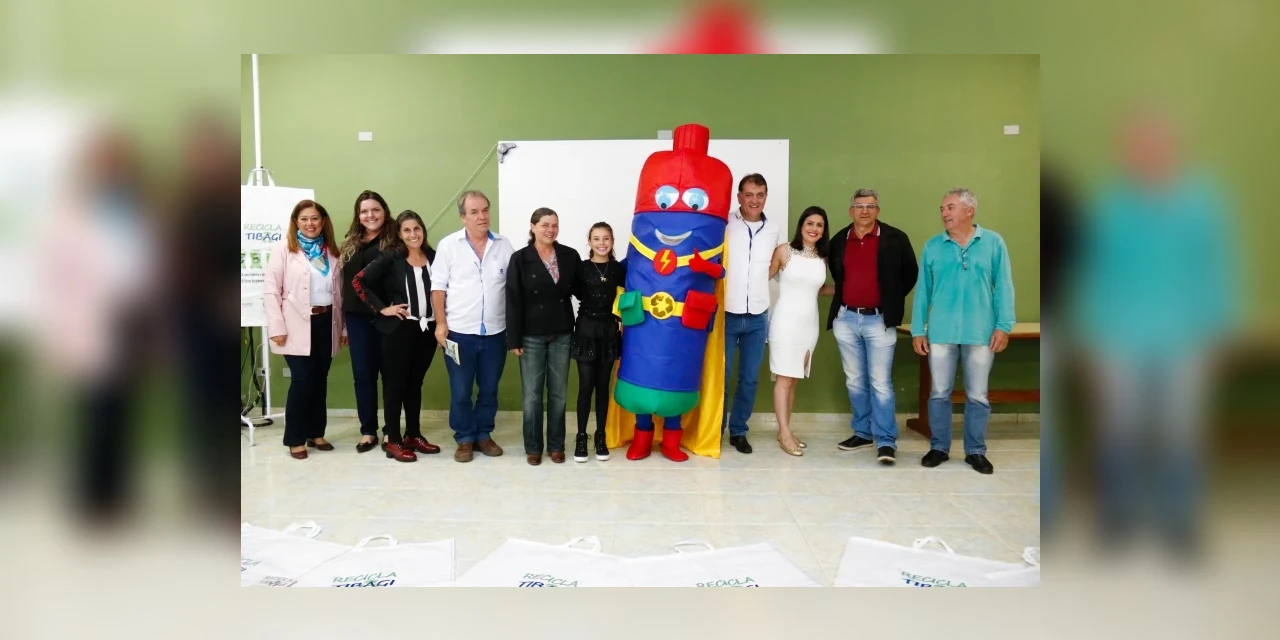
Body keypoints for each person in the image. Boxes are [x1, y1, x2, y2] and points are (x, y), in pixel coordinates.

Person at [912, 188, 1014, 474]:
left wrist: (1003, 325)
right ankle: (939, 447)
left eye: (950, 207)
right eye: (942, 208)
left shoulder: (993, 243)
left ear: (970, 211)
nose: (944, 213)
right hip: (941, 332)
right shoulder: (933, 246)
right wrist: (918, 329)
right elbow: (923, 292)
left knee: (978, 395)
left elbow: (1004, 286)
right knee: (939, 392)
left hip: (981, 332)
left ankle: (976, 451)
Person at [826, 189, 919, 465]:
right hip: (846, 319)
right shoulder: (839, 240)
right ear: (851, 210)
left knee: (880, 382)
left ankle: (886, 440)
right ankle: (862, 433)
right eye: (859, 206)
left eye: (870, 206)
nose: (864, 211)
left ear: (878, 210)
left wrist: (891, 298)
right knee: (855, 380)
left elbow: (910, 273)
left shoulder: (895, 238)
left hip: (880, 320)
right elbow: (838, 276)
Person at [351, 210, 443, 463]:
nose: (413, 234)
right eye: (407, 230)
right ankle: (393, 439)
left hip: (426, 331)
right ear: (399, 235)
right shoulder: (391, 256)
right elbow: (359, 282)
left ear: (423, 230)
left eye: (417, 228)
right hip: (399, 330)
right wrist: (382, 308)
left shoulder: (434, 257)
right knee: (395, 385)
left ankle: (413, 434)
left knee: (415, 384)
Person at [431, 190, 515, 463]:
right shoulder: (448, 246)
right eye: (474, 212)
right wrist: (441, 324)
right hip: (458, 334)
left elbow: (515, 287)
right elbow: (438, 288)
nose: (482, 216)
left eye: (485, 210)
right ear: (463, 217)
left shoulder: (503, 245)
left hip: (495, 333)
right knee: (461, 391)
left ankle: (483, 435)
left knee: (489, 388)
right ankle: (465, 438)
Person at [263, 200, 347, 459]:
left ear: (323, 221)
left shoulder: (332, 251)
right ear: (296, 222)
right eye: (304, 219)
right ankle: (295, 438)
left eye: (315, 218)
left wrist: (343, 329)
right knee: (302, 381)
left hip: (327, 322)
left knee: (319, 380)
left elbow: (341, 294)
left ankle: (316, 432)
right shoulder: (283, 250)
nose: (310, 223)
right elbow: (271, 290)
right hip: (294, 324)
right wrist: (276, 327)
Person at [506, 208, 582, 465]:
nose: (551, 230)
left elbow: (583, 290)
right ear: (533, 227)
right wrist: (514, 338)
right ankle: (533, 447)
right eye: (545, 225)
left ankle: (556, 445)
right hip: (530, 335)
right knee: (532, 396)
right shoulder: (520, 258)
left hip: (562, 332)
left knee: (559, 394)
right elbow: (513, 300)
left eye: (555, 225)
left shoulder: (570, 256)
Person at [722, 173, 785, 454]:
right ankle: (715, 429)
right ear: (739, 197)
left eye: (760, 195)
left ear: (766, 197)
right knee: (721, 378)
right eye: (749, 195)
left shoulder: (773, 228)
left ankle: (738, 430)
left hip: (758, 315)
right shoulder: (726, 223)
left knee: (749, 379)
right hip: (726, 313)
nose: (754, 200)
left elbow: (773, 265)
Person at [766, 206, 834, 456]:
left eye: (819, 225)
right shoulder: (784, 251)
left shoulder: (823, 257)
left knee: (794, 378)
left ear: (823, 230)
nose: (814, 229)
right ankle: (784, 433)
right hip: (785, 323)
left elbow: (817, 288)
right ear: (801, 226)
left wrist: (848, 290)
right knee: (784, 378)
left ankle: (785, 429)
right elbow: (762, 278)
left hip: (809, 325)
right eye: (810, 223)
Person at [339, 190, 397, 453]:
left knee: (390, 376)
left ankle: (390, 430)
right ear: (358, 215)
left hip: (387, 317)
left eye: (375, 210)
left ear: (384, 211)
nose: (370, 215)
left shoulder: (395, 242)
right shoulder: (349, 244)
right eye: (364, 211)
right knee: (363, 376)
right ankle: (368, 430)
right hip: (356, 319)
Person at [569, 222, 626, 463]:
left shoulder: (619, 269)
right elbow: (572, 293)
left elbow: (625, 298)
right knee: (586, 386)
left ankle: (600, 436)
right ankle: (581, 437)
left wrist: (622, 322)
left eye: (606, 238)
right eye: (596, 239)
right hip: (586, 329)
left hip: (609, 330)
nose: (601, 243)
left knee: (603, 386)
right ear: (589, 242)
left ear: (612, 241)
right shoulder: (581, 268)